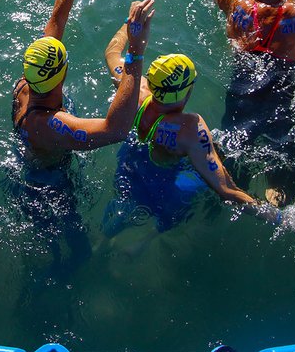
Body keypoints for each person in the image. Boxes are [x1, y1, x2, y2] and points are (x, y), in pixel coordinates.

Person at [100, 37, 281, 237]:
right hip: (164, 184)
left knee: (122, 209)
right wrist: (284, 219)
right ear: (186, 91)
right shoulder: (190, 129)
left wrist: (132, 26)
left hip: (129, 164)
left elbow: (112, 52)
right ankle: (143, 241)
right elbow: (227, 190)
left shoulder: (133, 90)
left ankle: (105, 238)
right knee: (215, 167)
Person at [11, 0, 153, 159]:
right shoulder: (51, 124)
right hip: (48, 184)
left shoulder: (29, 78)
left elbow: (56, 20)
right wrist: (136, 48)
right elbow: (116, 130)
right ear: (62, 74)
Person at [207, 0, 295, 207]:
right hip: (282, 79)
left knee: (235, 135)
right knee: (284, 139)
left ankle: (232, 186)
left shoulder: (237, 1)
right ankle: (279, 190)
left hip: (245, 76)